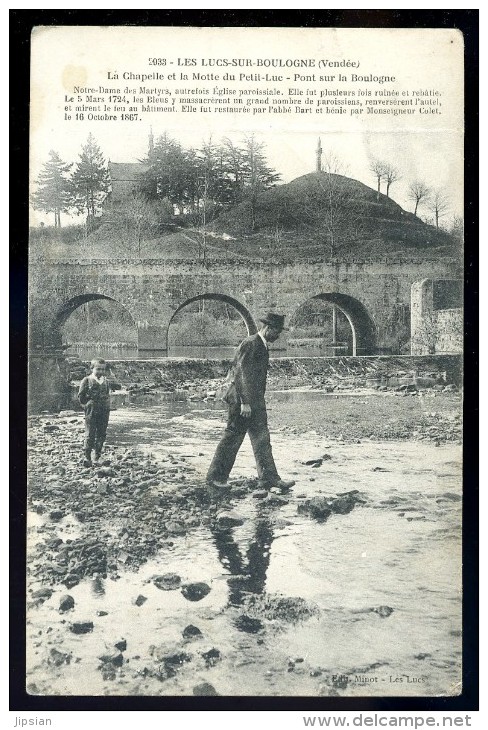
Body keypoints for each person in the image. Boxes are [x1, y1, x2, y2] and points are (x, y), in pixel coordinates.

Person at [207, 313, 295, 492]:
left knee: (262, 439)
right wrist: (245, 403)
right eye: (277, 332)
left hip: (256, 402)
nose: (278, 336)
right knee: (232, 438)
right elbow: (241, 374)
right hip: (242, 402)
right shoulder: (250, 343)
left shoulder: (261, 344)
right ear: (268, 328)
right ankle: (215, 478)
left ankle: (269, 478)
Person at [78, 358, 111, 467]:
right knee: (90, 433)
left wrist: (107, 405)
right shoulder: (86, 380)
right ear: (92, 368)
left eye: (103, 369)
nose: (100, 371)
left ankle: (97, 456)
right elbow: (81, 397)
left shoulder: (106, 381)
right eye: (98, 369)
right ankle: (87, 457)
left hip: (104, 411)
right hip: (91, 411)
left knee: (101, 433)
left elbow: (107, 394)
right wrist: (87, 406)